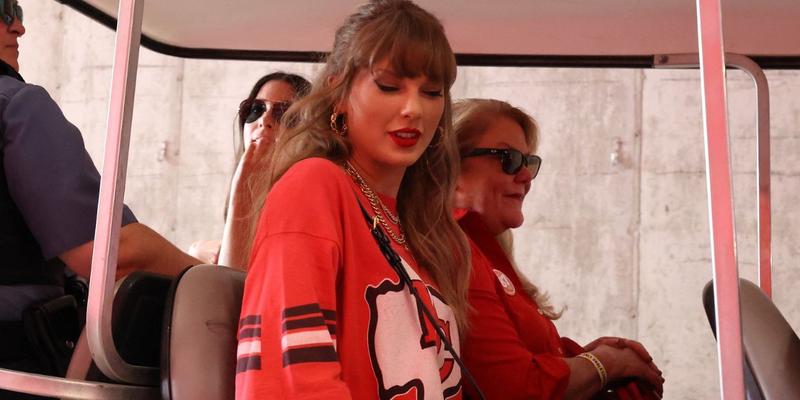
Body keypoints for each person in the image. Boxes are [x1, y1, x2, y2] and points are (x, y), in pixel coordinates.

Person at [234, 0, 471, 398]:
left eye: (431, 92)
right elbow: (290, 378)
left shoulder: (422, 227)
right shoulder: (314, 186)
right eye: (389, 86)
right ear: (338, 92)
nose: (413, 109)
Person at [0, 1, 199, 378]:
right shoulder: (17, 107)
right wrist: (216, 283)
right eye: (6, 10)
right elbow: (111, 254)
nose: (18, 28)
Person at [453, 99, 665, 399]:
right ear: (451, 166)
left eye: (528, 162)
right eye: (508, 159)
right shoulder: (457, 254)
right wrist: (606, 363)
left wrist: (582, 358)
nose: (525, 176)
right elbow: (517, 389)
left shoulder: (483, 250)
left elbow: (528, 363)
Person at [188, 72, 311, 269]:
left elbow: (235, 278)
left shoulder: (310, 196)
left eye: (282, 113)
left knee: (139, 245)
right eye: (255, 109)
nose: (264, 120)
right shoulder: (250, 188)